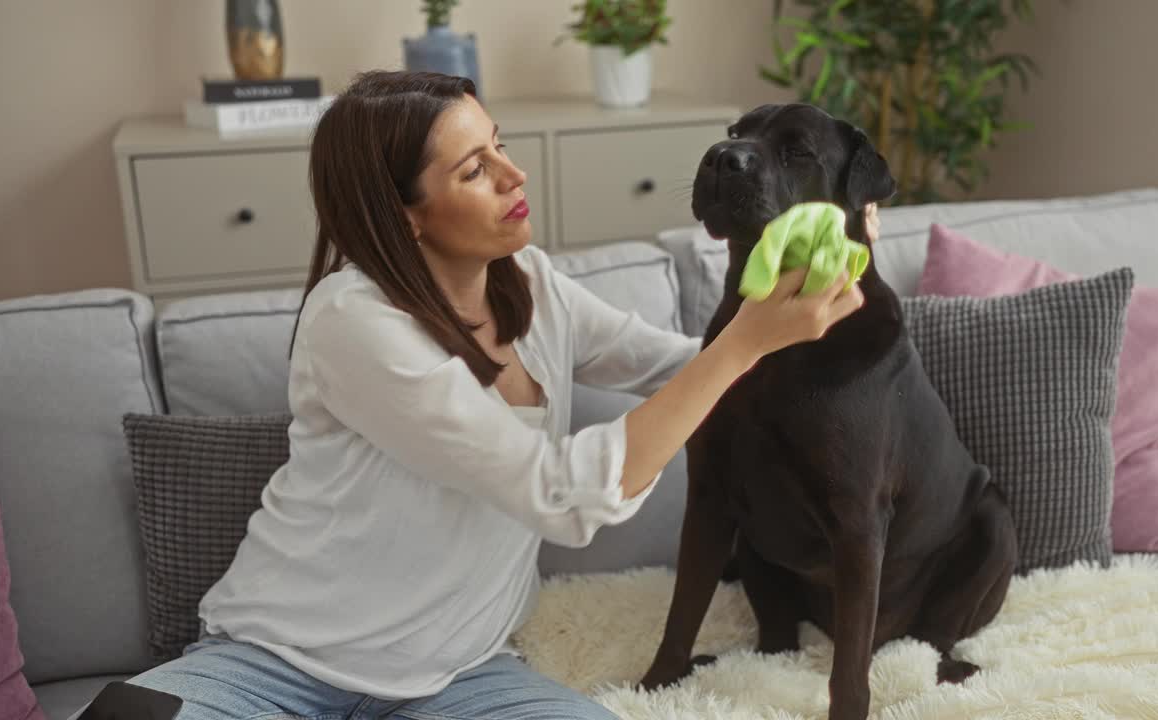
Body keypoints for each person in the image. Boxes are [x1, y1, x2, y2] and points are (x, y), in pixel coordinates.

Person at [99, 70, 874, 720]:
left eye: (498, 144)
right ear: (403, 216)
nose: (514, 174)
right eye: (474, 169)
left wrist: (815, 282)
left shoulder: (532, 286)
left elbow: (674, 364)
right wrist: (746, 342)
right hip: (280, 665)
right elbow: (562, 495)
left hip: (462, 677)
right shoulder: (352, 323)